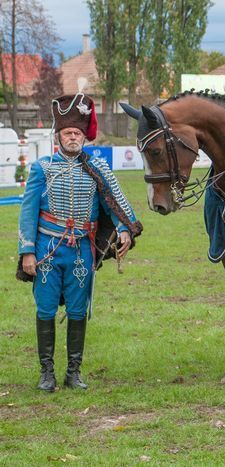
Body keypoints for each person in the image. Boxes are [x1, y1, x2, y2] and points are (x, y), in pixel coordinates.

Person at [17, 93, 141, 392]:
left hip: (82, 251)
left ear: (84, 136)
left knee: (77, 309)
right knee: (45, 309)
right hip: (47, 249)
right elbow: (28, 212)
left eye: (76, 133)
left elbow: (115, 203)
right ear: (58, 136)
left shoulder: (98, 168)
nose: (72, 137)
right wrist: (27, 251)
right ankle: (47, 373)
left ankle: (73, 372)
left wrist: (125, 229)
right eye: (67, 133)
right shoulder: (42, 168)